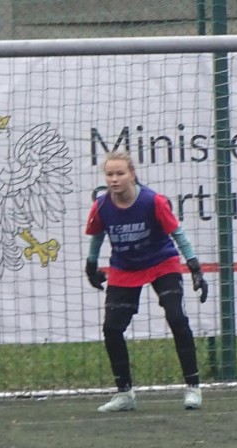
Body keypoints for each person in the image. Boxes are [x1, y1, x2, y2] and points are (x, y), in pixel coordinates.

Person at [85, 150, 208, 412]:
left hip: (161, 263)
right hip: (125, 268)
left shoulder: (153, 201)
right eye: (109, 174)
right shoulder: (102, 206)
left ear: (132, 174)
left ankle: (193, 387)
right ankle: (125, 393)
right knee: (111, 329)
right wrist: (91, 265)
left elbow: (177, 233)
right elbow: (97, 236)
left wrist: (194, 266)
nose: (114, 179)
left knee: (176, 317)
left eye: (120, 173)